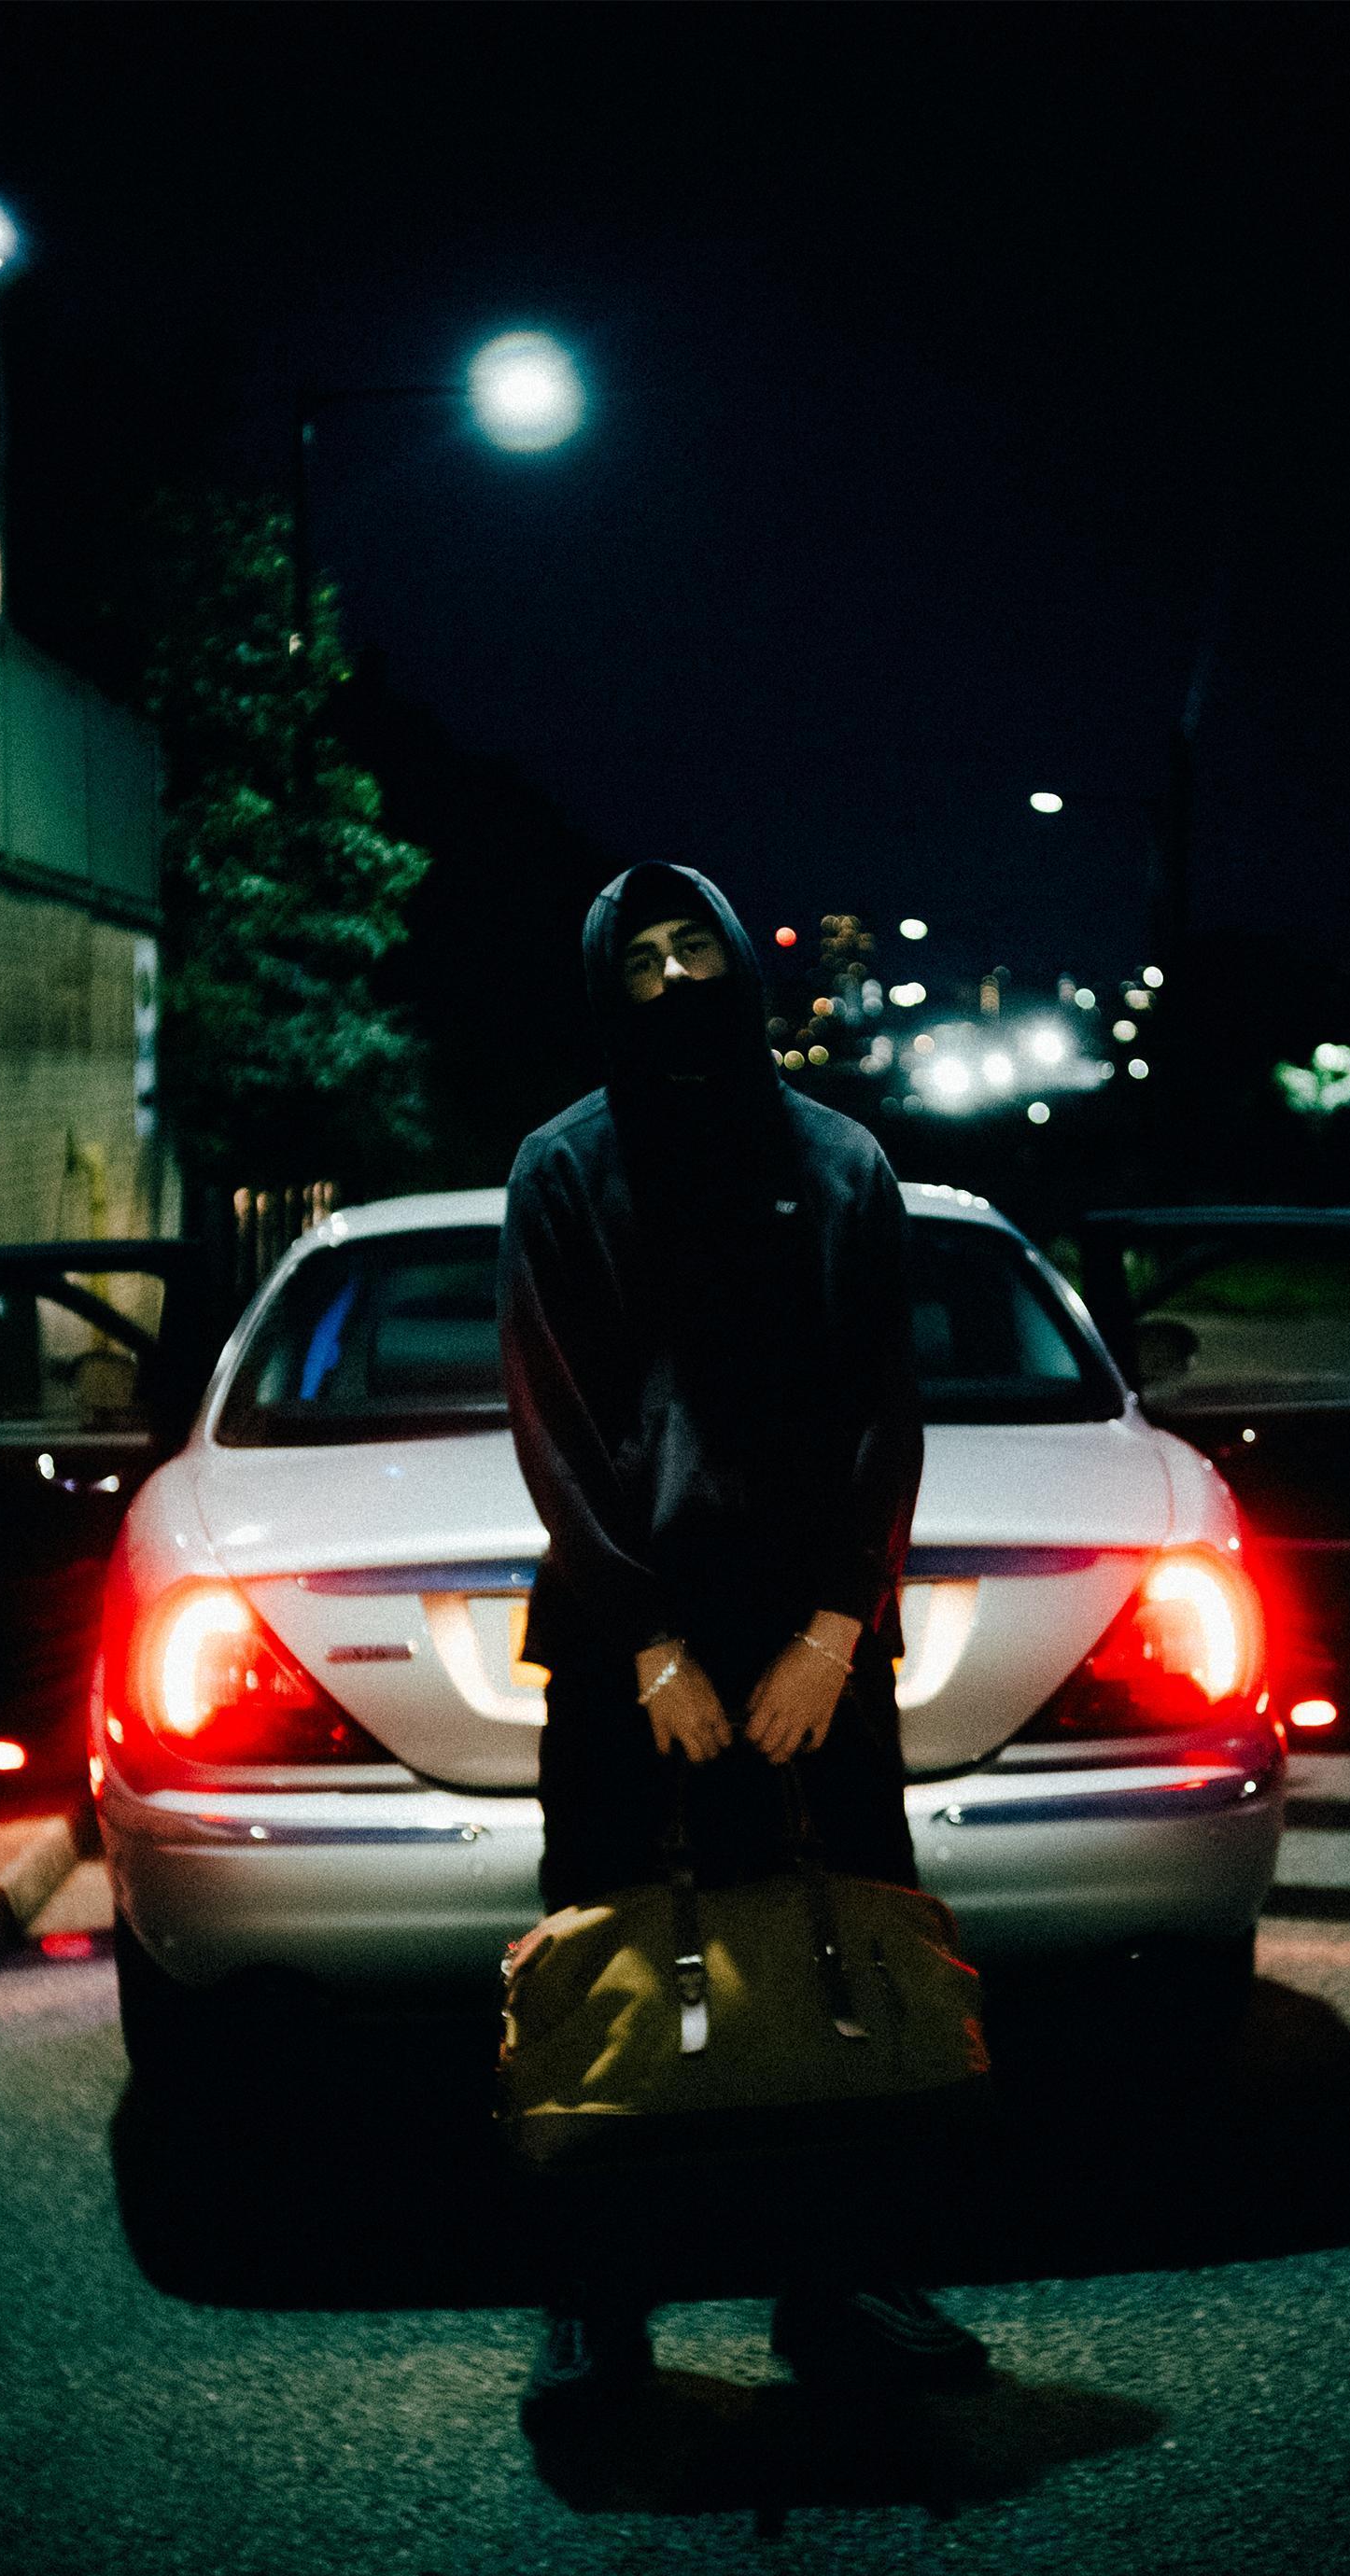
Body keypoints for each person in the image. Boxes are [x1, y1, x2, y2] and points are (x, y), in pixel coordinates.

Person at [499, 860, 990, 2429]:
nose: (670, 981)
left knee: (843, 1936)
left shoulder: (840, 1163)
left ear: (738, 961)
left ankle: (847, 2283)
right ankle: (596, 2300)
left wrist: (836, 1630)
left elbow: (883, 1409)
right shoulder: (564, 1167)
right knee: (610, 1950)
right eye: (637, 959)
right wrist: (649, 1644)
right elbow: (557, 1429)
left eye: (690, 946)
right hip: (623, 1641)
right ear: (605, 987)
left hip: (815, 1638)